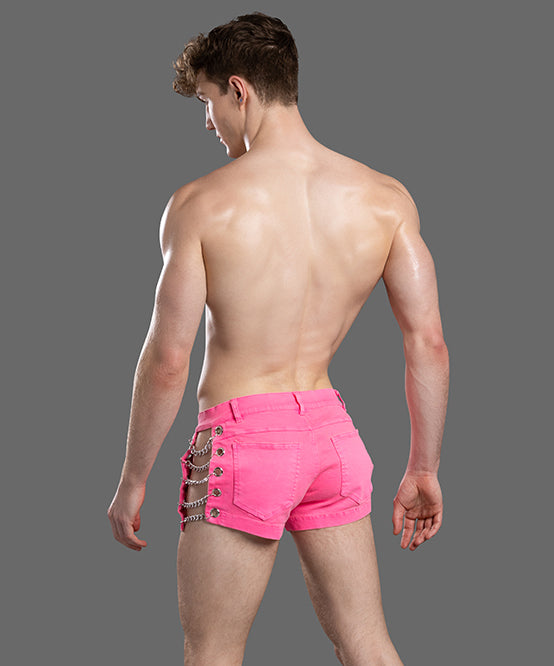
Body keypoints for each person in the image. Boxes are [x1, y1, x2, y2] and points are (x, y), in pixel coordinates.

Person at [107, 11, 449, 666]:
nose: (209, 122)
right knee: (369, 645)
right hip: (332, 439)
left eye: (207, 102)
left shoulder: (200, 204)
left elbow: (170, 357)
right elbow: (428, 342)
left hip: (242, 444)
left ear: (239, 91)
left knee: (212, 652)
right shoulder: (385, 198)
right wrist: (424, 467)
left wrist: (133, 478)